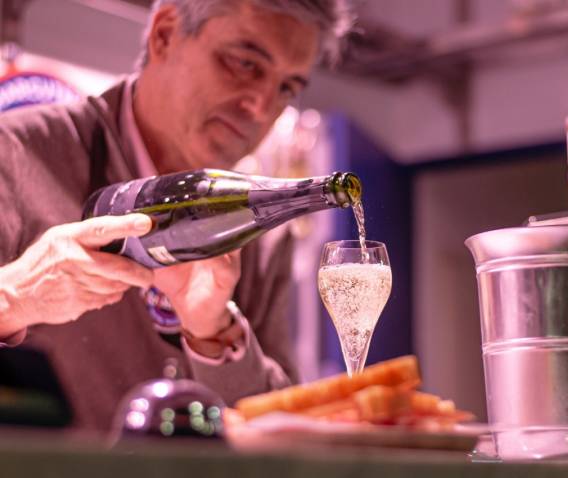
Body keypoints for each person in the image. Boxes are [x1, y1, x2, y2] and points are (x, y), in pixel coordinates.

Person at [0, 0, 351, 432]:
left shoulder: (262, 236)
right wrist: (14, 297)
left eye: (286, 89)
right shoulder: (14, 156)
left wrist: (217, 337)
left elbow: (282, 434)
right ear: (164, 33)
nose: (261, 109)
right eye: (245, 64)